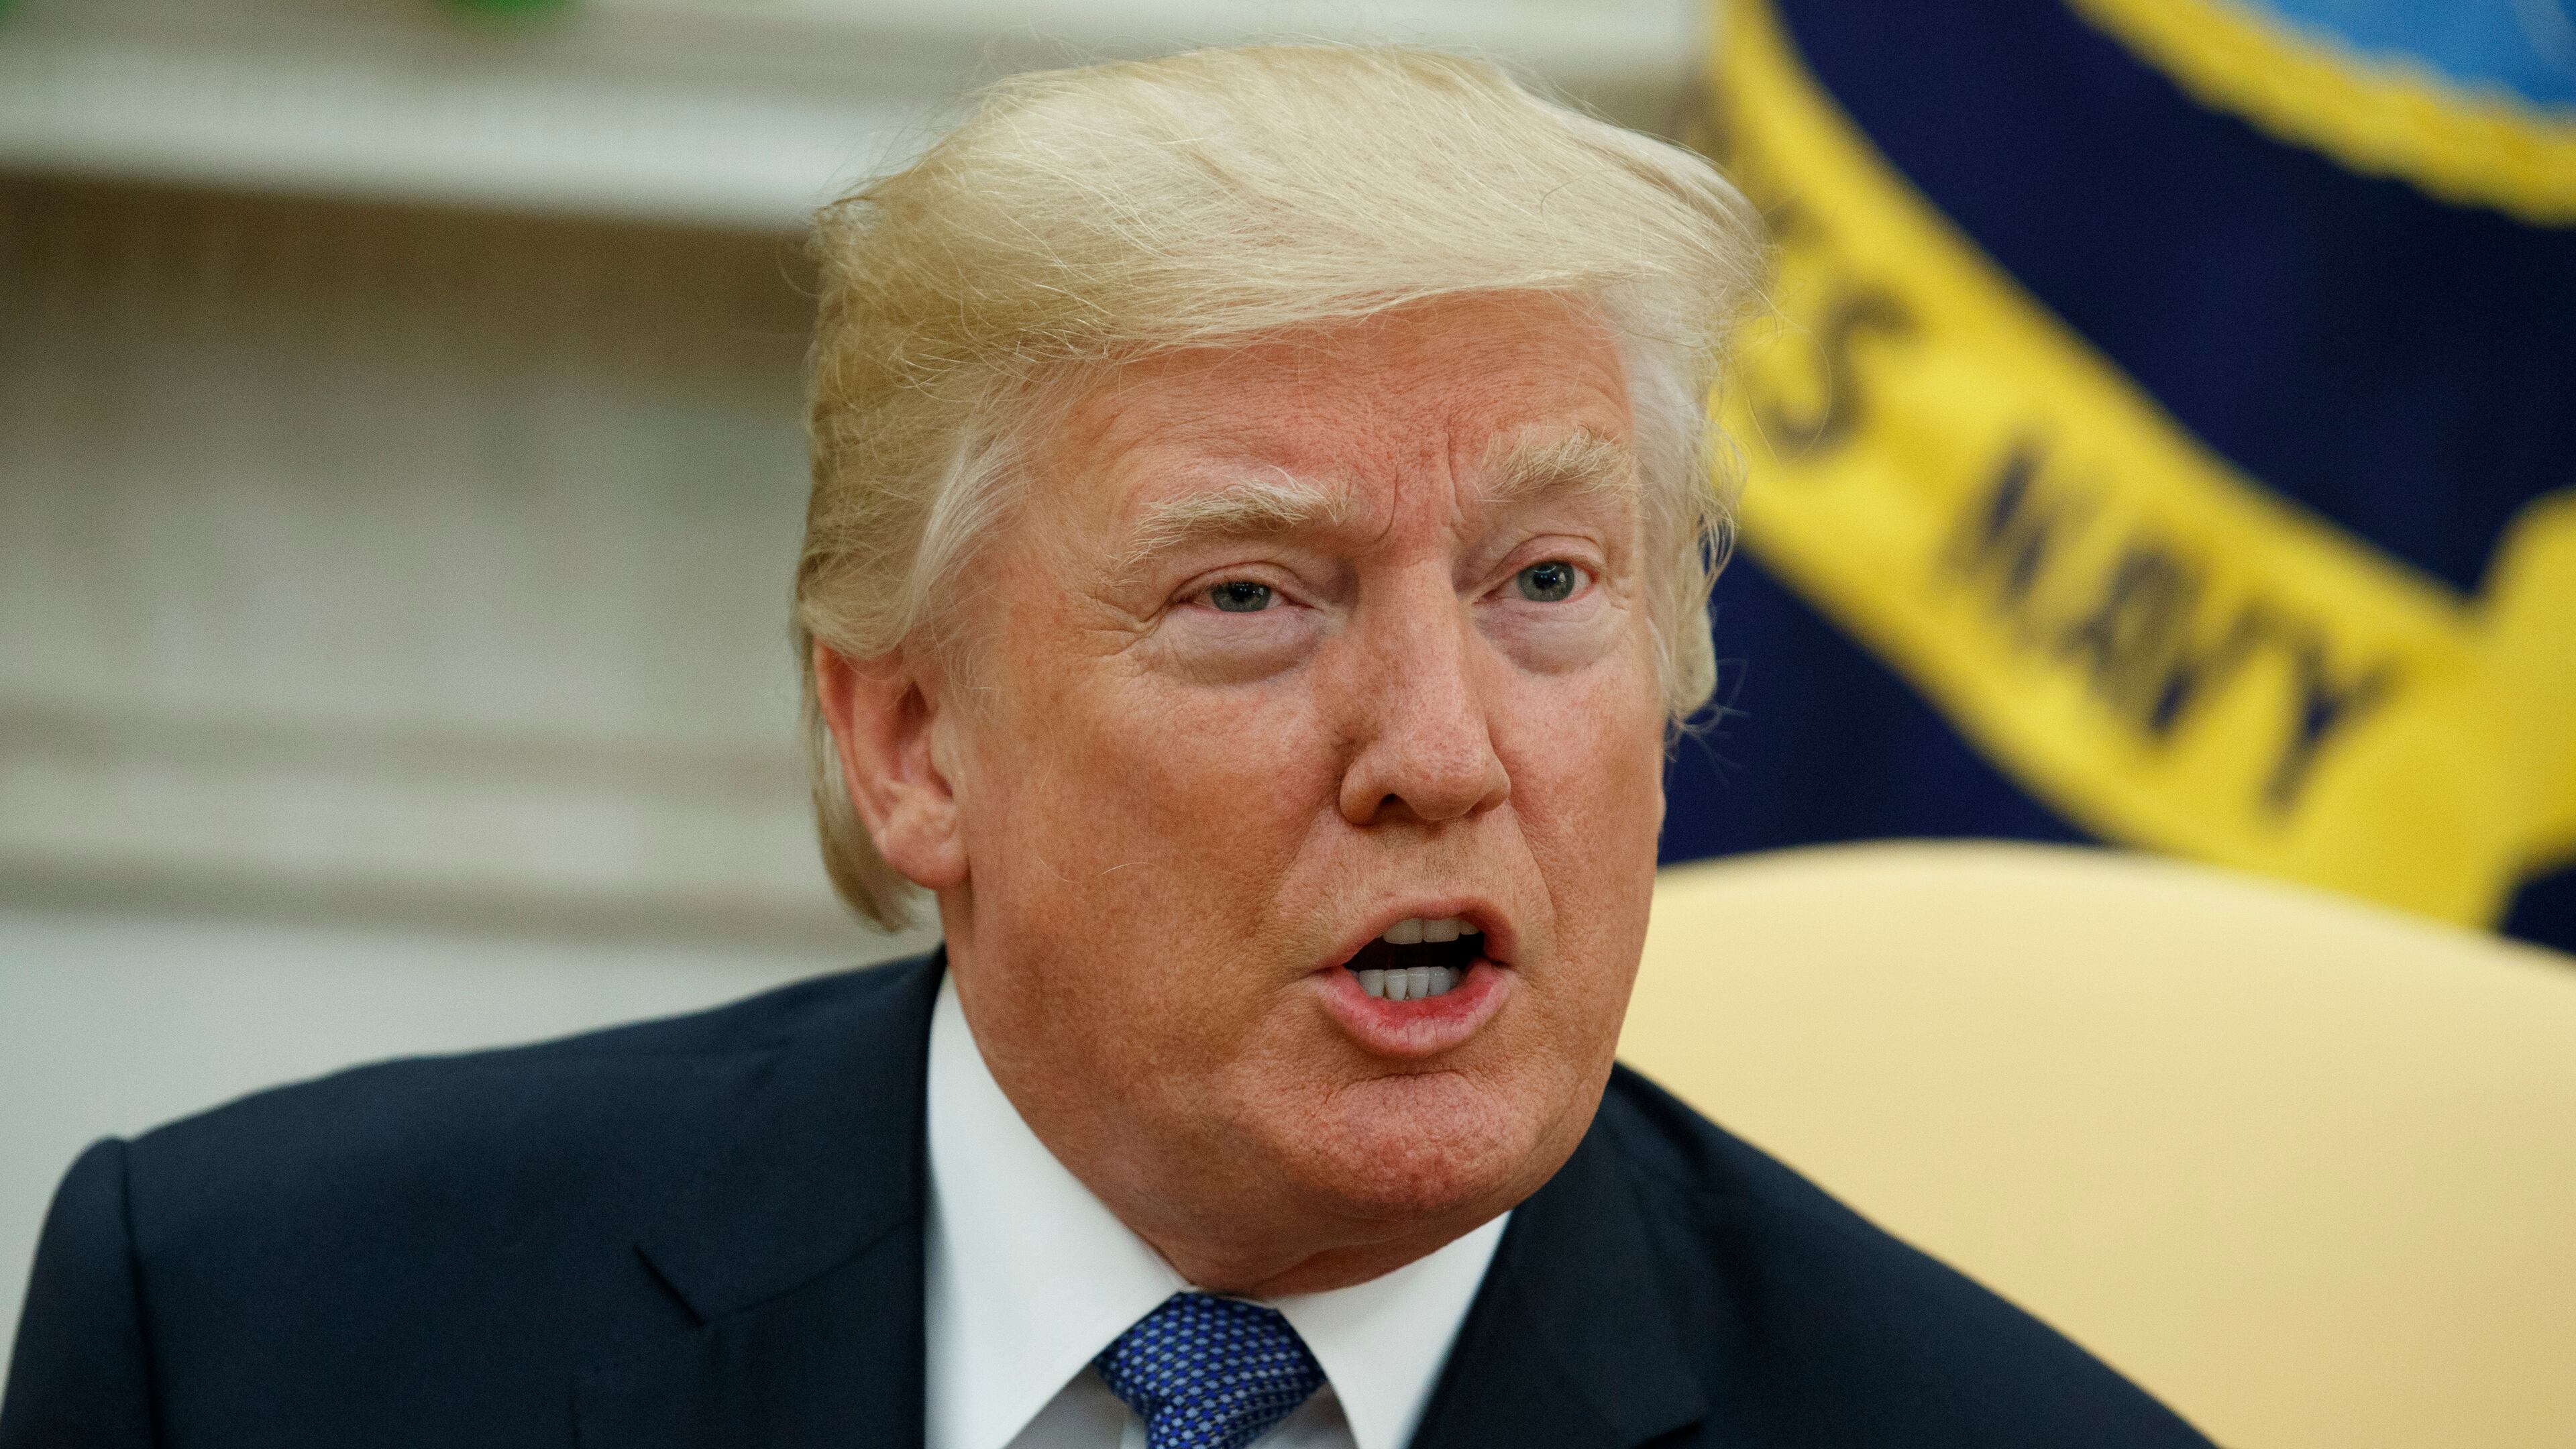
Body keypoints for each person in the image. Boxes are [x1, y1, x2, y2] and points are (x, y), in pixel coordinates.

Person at [1, 46, 2213, 1449]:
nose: (1439, 753)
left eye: (1545, 582)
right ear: (910, 741)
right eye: (1251, 597)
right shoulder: (257, 1337)